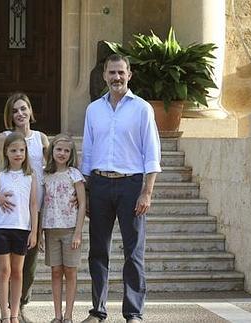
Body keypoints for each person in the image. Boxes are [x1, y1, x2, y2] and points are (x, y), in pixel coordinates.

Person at [80, 54, 161, 323]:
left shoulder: (142, 109)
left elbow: (152, 153)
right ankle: (97, 311)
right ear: (104, 76)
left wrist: (147, 191)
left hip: (131, 184)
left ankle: (133, 313)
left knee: (133, 252)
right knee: (98, 252)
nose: (116, 77)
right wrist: (87, 192)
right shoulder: (94, 110)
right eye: (112, 73)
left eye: (121, 72)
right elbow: (88, 153)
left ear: (129, 75)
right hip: (100, 184)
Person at [0, 92, 49, 323]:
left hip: (36, 207)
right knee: (8, 266)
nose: (20, 114)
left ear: (30, 111)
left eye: (24, 108)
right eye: (15, 110)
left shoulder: (41, 138)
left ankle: (21, 305)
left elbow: (55, 167)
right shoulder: (3, 138)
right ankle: (8, 311)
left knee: (30, 262)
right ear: (10, 115)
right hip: (10, 210)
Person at [0, 132, 39, 323]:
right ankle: (4, 314)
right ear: (6, 152)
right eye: (13, 150)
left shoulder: (30, 176)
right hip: (1, 228)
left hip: (22, 229)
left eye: (22, 150)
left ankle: (15, 314)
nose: (18, 154)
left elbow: (33, 205)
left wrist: (33, 232)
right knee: (4, 270)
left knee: (17, 271)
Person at [40, 134, 86, 323]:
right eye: (59, 149)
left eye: (67, 150)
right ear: (52, 151)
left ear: (71, 154)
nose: (62, 153)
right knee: (56, 271)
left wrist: (78, 232)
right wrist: (40, 233)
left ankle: (68, 315)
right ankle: (57, 315)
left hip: (70, 230)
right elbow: (41, 204)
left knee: (70, 271)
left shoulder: (74, 174)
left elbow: (82, 204)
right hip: (51, 230)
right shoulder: (45, 175)